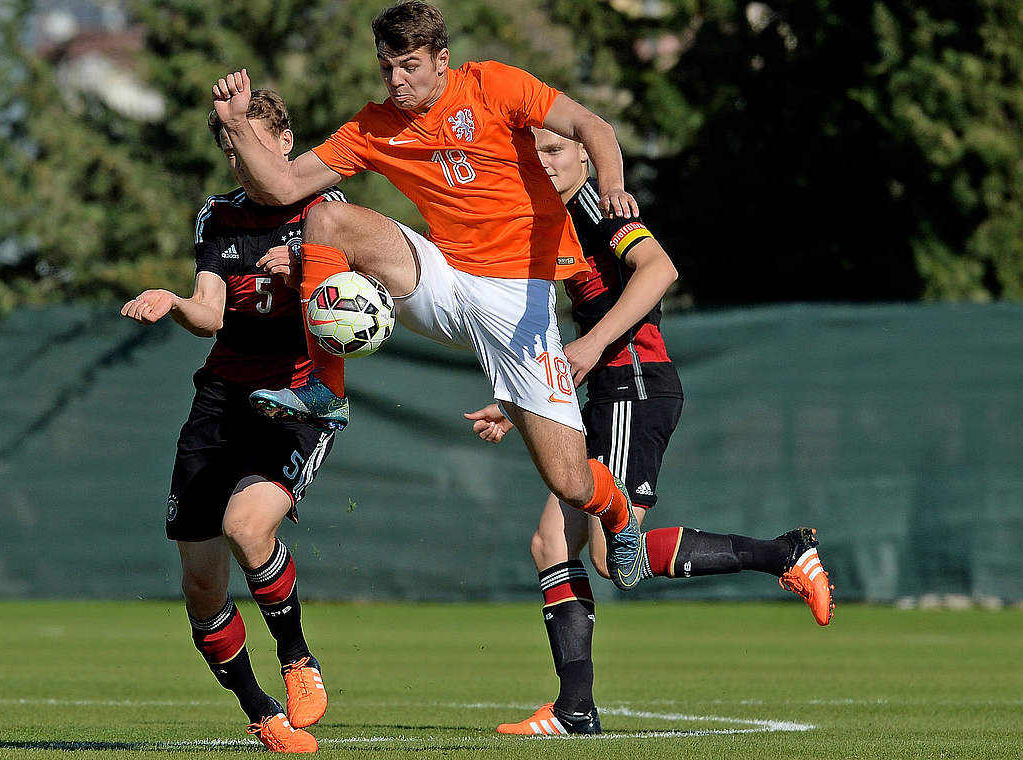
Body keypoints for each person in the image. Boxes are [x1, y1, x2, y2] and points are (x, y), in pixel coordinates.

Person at [212, 0, 650, 595]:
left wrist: (615, 187)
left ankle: (618, 513)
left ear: (442, 60)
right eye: (387, 66)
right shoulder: (375, 125)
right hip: (443, 278)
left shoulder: (493, 85)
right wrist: (238, 125)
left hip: (519, 300)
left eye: (410, 65)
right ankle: (326, 389)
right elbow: (282, 186)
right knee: (324, 223)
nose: (397, 80)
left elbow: (595, 128)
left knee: (571, 482)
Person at [463, 128, 834, 736]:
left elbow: (661, 269)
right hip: (610, 392)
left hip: (636, 387)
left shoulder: (599, 207)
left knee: (607, 556)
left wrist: (593, 343)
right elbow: (573, 336)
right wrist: (518, 400)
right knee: (552, 544)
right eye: (536, 154)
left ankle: (783, 554)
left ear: (584, 155)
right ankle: (574, 710)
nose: (545, 163)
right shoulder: (555, 224)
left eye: (556, 151)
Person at [119, 90, 343, 754]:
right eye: (226, 145)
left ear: (283, 142)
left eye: (245, 139)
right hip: (220, 400)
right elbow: (211, 313)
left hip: (301, 397)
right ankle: (259, 709)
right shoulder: (217, 217)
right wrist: (174, 302)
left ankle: (298, 657)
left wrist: (309, 268)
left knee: (248, 526)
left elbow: (366, 303)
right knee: (199, 583)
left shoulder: (327, 212)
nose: (235, 156)